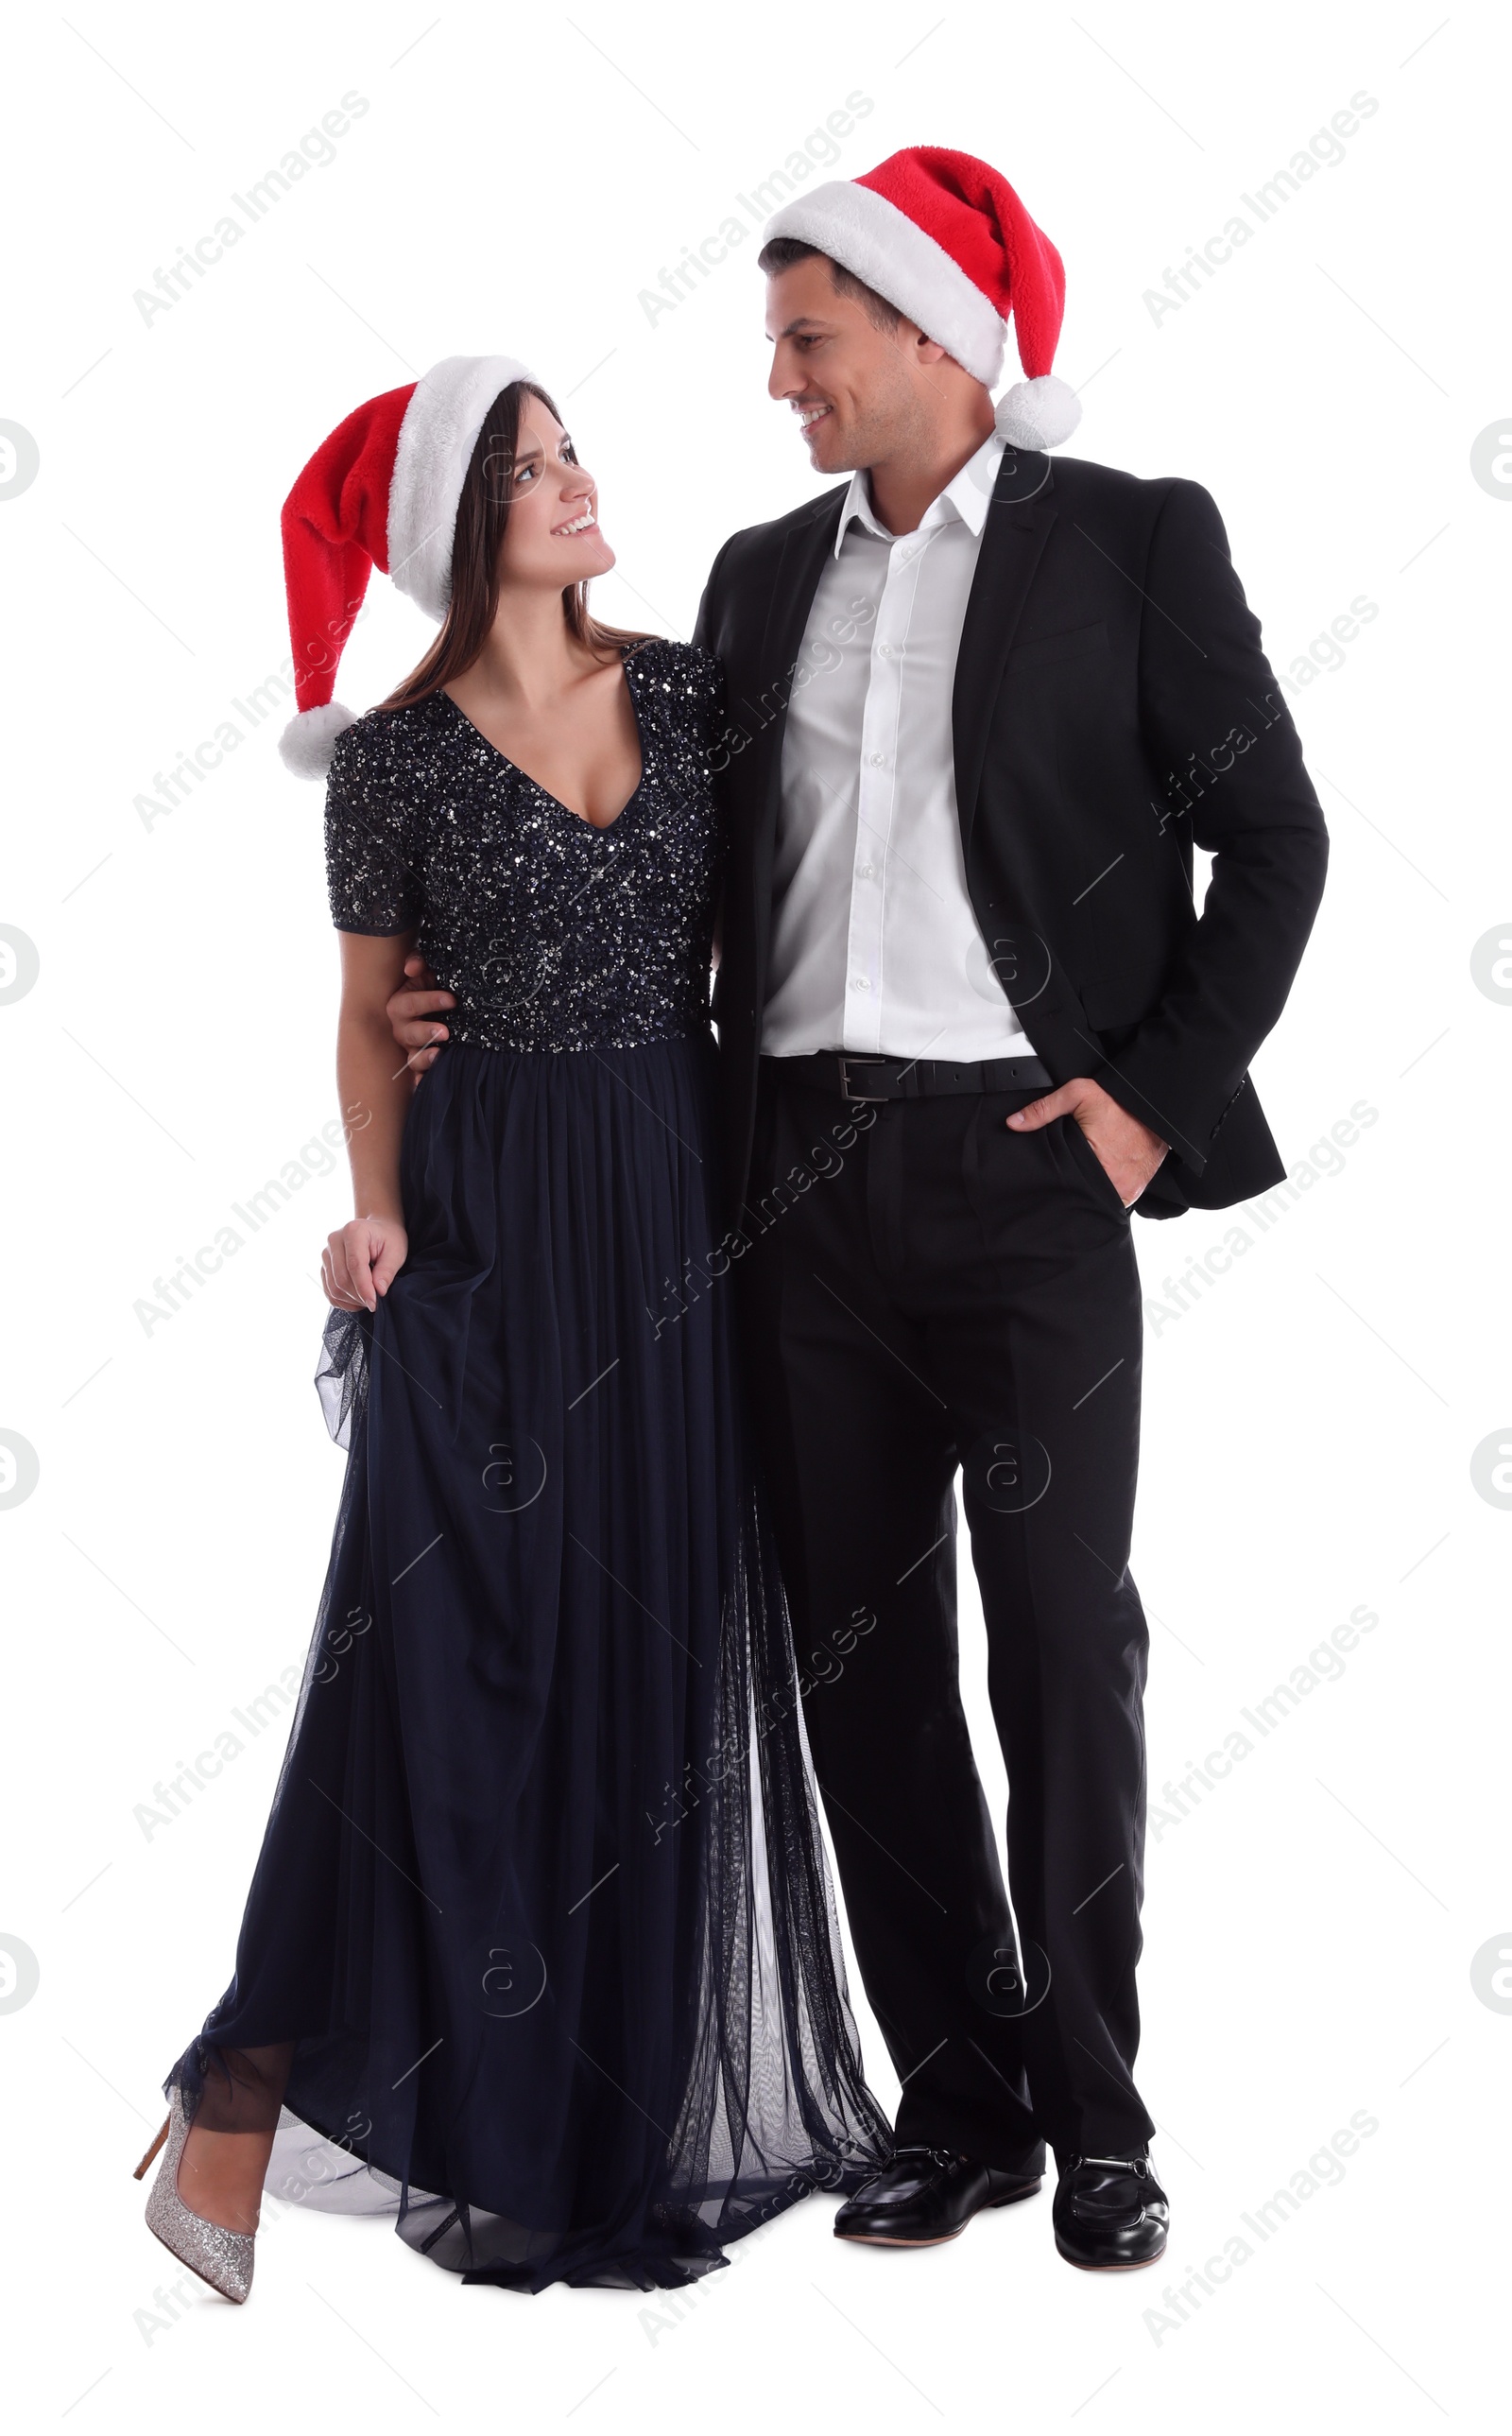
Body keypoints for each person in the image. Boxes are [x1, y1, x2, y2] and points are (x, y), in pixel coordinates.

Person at [388, 151, 1328, 2272]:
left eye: (807, 336)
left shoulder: (1132, 542)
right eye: (775, 341)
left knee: (1063, 1651)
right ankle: (959, 2100)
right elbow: (638, 845)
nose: (779, 378)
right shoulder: (744, 577)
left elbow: (1272, 840)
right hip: (783, 1185)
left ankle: (1100, 2117)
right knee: (856, 1664)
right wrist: (464, 975)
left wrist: (1139, 1108)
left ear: (923, 332)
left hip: (1025, 1170)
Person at [135, 354, 888, 2304]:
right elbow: (363, 1010)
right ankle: (243, 2082)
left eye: (568, 453)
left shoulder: (689, 691)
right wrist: (374, 1206)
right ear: (453, 534)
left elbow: (769, 933)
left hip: (670, 1211)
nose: (571, 483)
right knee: (438, 1667)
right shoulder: (388, 761)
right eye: (526, 469)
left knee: (641, 1673)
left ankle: (580, 2136)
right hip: (480, 1237)